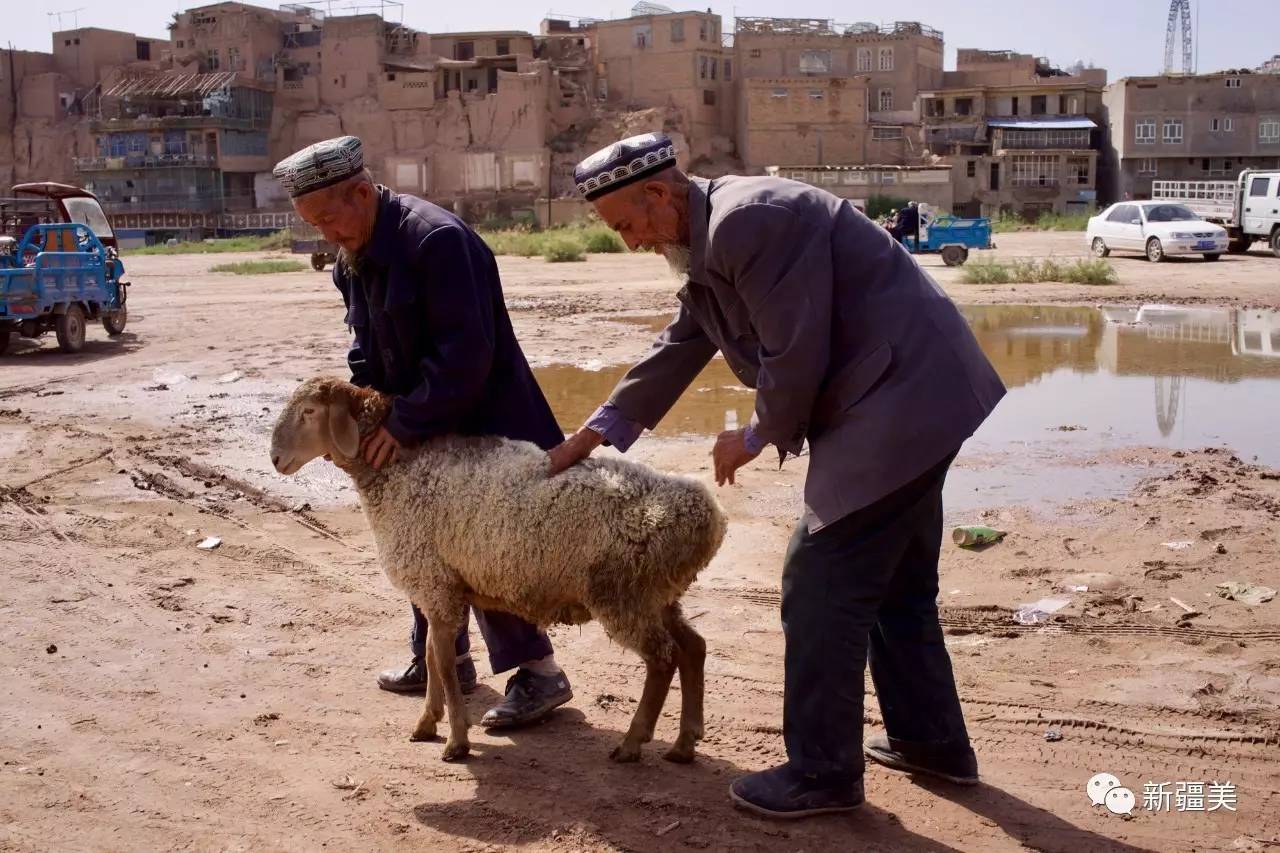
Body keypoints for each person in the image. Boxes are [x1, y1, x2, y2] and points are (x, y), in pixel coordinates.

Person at [547, 132, 1006, 819]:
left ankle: (822, 772)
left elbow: (797, 349)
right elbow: (680, 343)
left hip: (897, 391)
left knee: (818, 578)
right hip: (916, 389)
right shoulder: (704, 242)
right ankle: (930, 740)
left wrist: (756, 434)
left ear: (658, 193)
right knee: (896, 583)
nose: (629, 241)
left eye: (627, 224)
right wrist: (594, 433)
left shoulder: (747, 220)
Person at [272, 136, 572, 728]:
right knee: (417, 542)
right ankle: (442, 660)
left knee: (487, 551)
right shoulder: (351, 258)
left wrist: (405, 423)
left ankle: (538, 673)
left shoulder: (436, 241)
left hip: (484, 424)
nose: (328, 234)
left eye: (331, 218)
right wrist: (358, 423)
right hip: (413, 423)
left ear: (362, 193)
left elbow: (466, 354)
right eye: (315, 224)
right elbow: (367, 350)